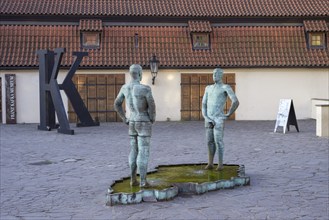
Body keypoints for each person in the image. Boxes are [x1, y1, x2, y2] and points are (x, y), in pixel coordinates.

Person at [114, 64, 156, 187]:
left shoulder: (125, 88)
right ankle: (143, 181)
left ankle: (133, 179)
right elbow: (152, 106)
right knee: (143, 150)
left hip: (132, 120)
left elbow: (116, 104)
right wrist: (152, 118)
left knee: (133, 150)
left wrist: (124, 118)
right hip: (143, 120)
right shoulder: (145, 89)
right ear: (140, 74)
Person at [202, 68, 239, 171]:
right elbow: (204, 104)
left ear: (221, 75)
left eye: (217, 74)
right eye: (213, 74)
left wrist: (228, 114)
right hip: (208, 119)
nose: (214, 75)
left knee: (218, 141)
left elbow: (235, 101)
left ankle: (220, 164)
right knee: (209, 141)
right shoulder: (208, 88)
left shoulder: (225, 87)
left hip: (218, 119)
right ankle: (210, 163)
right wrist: (206, 117)